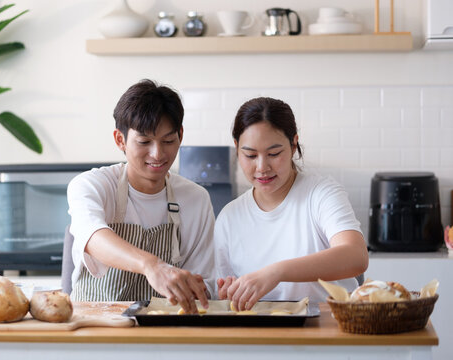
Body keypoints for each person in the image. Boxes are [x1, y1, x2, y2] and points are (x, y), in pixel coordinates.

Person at [67, 79, 215, 313]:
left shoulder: (196, 199)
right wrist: (151, 265)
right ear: (120, 140)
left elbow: (203, 281)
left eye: (168, 141)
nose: (157, 154)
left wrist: (200, 288)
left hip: (164, 332)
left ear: (181, 136)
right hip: (95, 327)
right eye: (144, 142)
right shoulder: (91, 185)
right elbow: (92, 235)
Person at [215, 97, 368, 310]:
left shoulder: (320, 194)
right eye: (250, 155)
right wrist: (229, 295)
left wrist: (276, 272)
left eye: (274, 154)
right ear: (237, 148)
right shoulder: (229, 217)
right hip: (263, 335)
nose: (262, 167)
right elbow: (223, 294)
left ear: (294, 144)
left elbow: (356, 256)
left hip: (329, 328)